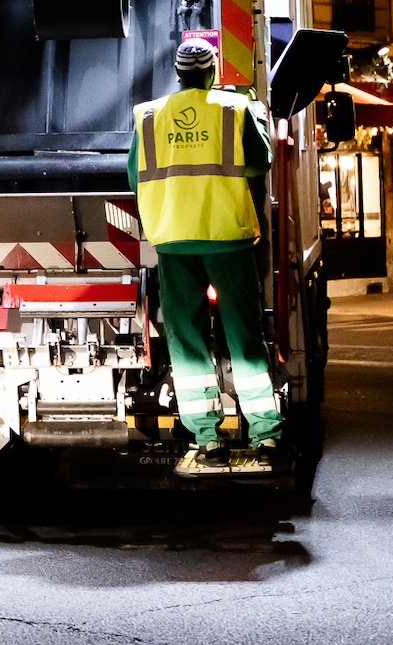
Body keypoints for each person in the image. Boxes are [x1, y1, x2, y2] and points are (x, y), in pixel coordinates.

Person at [128, 39, 281, 473]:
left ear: (179, 75)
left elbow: (133, 175)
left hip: (174, 240)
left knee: (188, 339)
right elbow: (260, 163)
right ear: (213, 72)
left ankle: (208, 438)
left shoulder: (149, 115)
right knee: (243, 335)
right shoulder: (234, 109)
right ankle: (265, 431)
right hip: (227, 236)